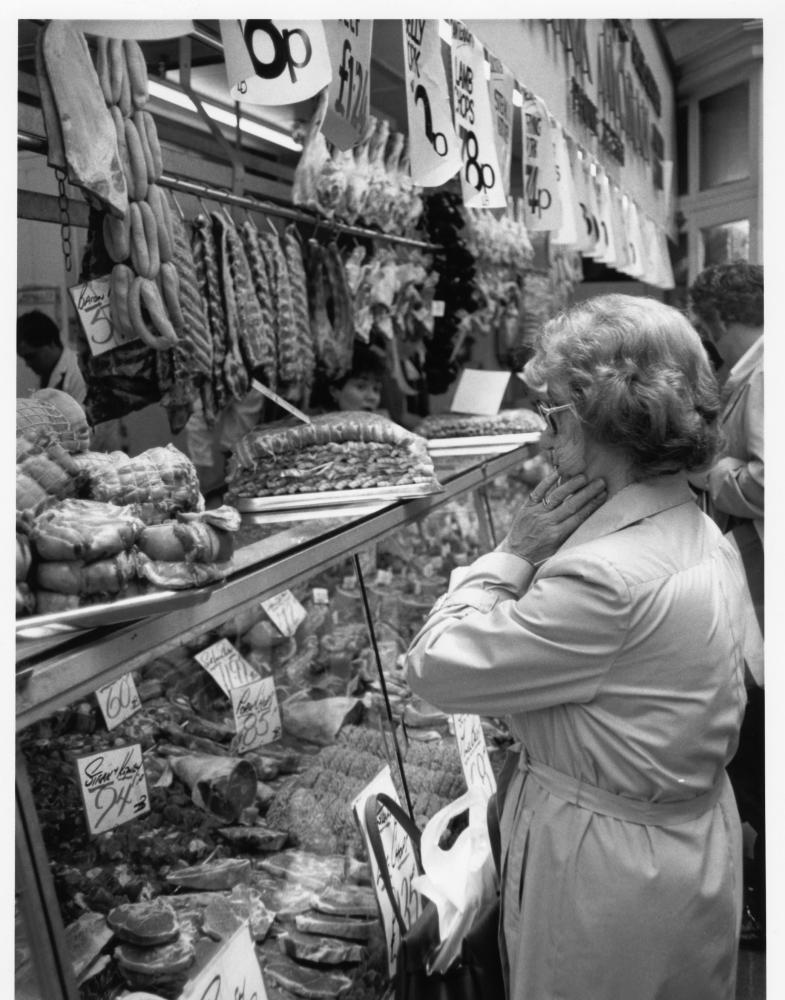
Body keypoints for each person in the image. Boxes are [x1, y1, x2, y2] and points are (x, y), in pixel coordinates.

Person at [405, 293, 759, 1000]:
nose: (545, 433)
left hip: (606, 873)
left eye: (554, 412)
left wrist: (509, 556)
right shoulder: (694, 529)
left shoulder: (603, 576)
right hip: (679, 847)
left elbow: (435, 667)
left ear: (603, 417)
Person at [688, 260, 765, 946]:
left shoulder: (766, 376)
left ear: (713, 322)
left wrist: (709, 471)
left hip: (764, 575)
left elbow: (769, 485)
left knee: (759, 744)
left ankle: (759, 906)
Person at [17, 310, 86, 404]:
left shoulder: (77, 373)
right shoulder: (47, 373)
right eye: (24, 358)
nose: (28, 364)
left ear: (51, 343)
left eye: (31, 356)